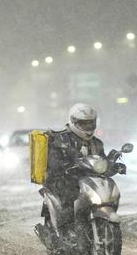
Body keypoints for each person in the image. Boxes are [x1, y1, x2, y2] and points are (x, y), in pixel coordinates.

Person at [43, 103, 106, 241]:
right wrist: (65, 165)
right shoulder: (60, 139)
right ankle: (66, 231)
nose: (88, 128)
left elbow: (102, 160)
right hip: (63, 179)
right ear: (74, 122)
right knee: (70, 198)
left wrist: (113, 165)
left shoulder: (97, 143)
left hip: (89, 180)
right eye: (84, 124)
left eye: (91, 124)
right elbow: (53, 161)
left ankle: (96, 225)